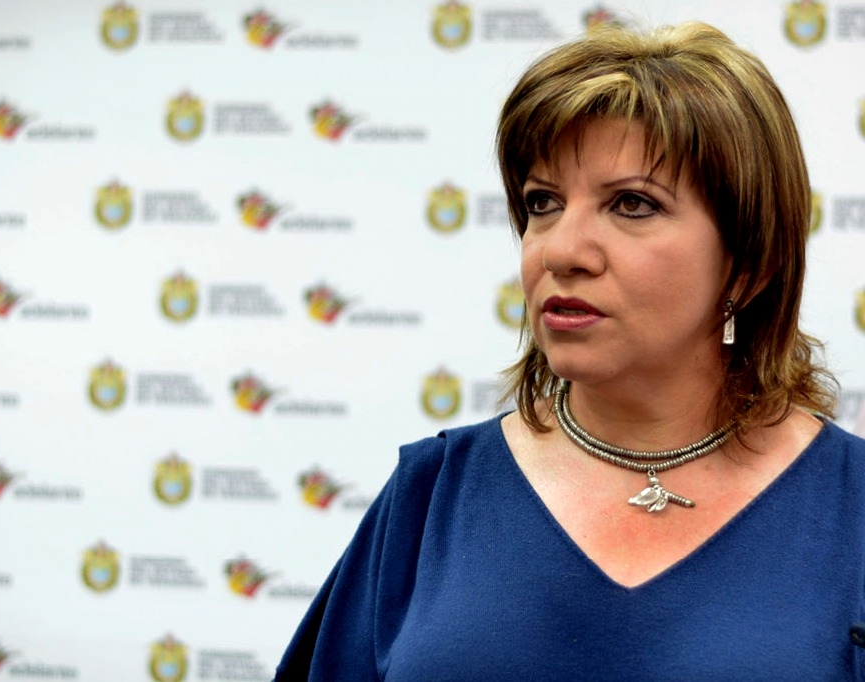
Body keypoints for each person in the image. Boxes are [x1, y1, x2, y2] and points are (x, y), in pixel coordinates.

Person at [275, 21, 865, 681]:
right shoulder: (430, 495)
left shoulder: (852, 511)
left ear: (749, 263)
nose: (560, 250)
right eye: (543, 203)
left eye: (632, 204)